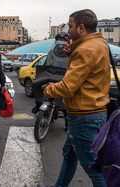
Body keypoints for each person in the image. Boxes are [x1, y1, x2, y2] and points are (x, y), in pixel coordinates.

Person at [38, 9, 110, 187]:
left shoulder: (85, 50)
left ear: (81, 28)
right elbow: (87, 73)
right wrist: (72, 53)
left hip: (83, 116)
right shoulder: (100, 44)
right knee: (69, 156)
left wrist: (48, 90)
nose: (68, 31)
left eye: (71, 26)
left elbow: (68, 86)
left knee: (94, 170)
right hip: (95, 111)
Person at [32, 32, 69, 114]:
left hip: (64, 77)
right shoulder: (51, 52)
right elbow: (46, 65)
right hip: (51, 75)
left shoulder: (70, 53)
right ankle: (38, 103)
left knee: (67, 102)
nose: (60, 42)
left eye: (62, 40)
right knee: (37, 83)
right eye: (58, 40)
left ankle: (67, 120)